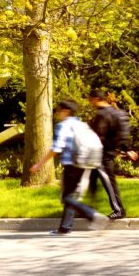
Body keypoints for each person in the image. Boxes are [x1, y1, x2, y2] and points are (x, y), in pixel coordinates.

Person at [30, 99, 109, 235]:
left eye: (58, 110)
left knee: (67, 197)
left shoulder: (63, 126)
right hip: (86, 163)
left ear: (66, 111)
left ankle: (93, 216)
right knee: (71, 196)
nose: (57, 113)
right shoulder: (82, 124)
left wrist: (39, 164)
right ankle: (65, 228)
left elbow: (57, 148)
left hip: (72, 164)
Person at [86, 89, 136, 220]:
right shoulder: (116, 112)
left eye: (91, 100)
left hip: (103, 155)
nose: (90, 103)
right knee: (92, 180)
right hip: (105, 153)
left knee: (109, 182)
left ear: (96, 99)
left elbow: (98, 135)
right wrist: (126, 149)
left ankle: (119, 210)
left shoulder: (102, 114)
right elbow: (123, 132)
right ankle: (89, 209)